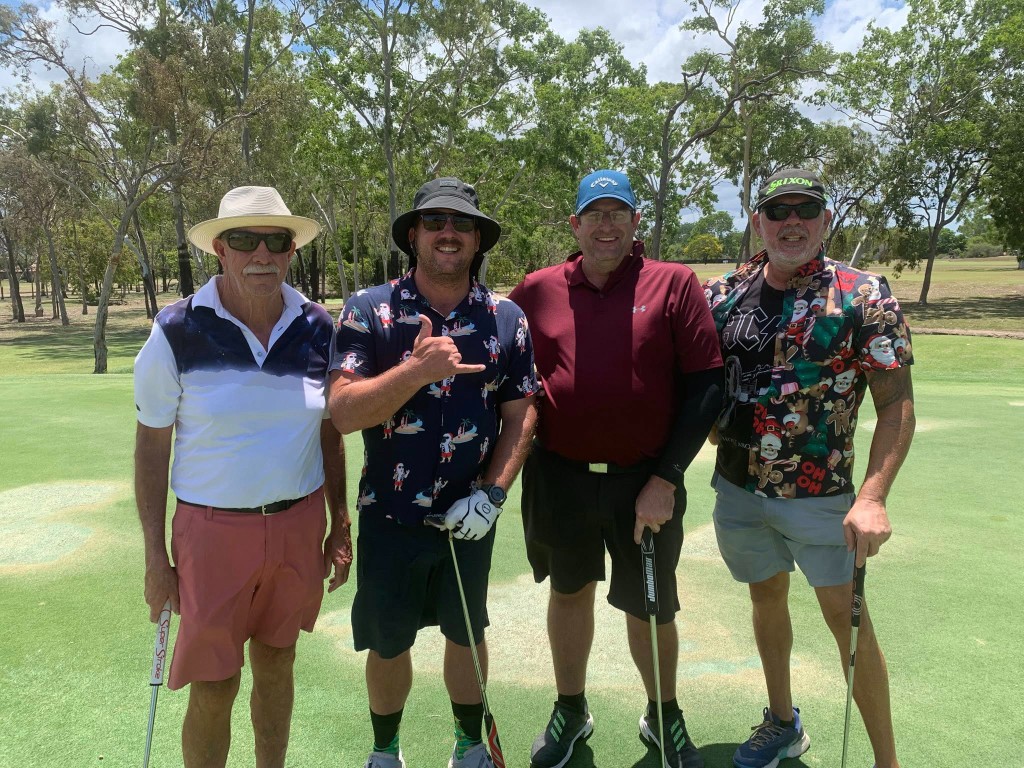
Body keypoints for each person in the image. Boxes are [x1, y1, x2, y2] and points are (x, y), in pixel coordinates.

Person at [508, 170, 724, 768]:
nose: (606, 225)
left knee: (649, 606)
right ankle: (571, 709)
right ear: (575, 225)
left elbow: (707, 386)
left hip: (644, 482)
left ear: (635, 222)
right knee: (568, 591)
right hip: (560, 476)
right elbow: (502, 367)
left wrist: (667, 478)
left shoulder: (673, 283)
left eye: (618, 213)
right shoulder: (537, 289)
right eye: (594, 214)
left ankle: (663, 715)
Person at [703, 168, 915, 768]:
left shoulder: (863, 294)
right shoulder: (723, 294)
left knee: (847, 623)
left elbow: (896, 402)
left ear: (825, 219)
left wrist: (873, 496)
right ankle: (781, 721)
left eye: (806, 209)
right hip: (738, 487)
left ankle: (887, 762)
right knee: (765, 596)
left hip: (821, 495)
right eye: (778, 210)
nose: (791, 221)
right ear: (758, 221)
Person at [134, 185, 352, 768]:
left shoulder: (317, 325)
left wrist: (340, 519)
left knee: (278, 664)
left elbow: (329, 431)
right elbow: (152, 448)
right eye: (244, 239)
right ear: (220, 249)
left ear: (290, 251)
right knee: (214, 685)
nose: (261, 253)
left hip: (298, 526)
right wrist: (155, 557)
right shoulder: (175, 329)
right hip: (211, 535)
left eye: (275, 241)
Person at [329, 177, 538, 768]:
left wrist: (493, 496)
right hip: (390, 516)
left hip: (469, 517)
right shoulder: (369, 310)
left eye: (462, 223)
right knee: (388, 642)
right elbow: (343, 411)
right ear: (414, 235)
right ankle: (385, 752)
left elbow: (521, 414)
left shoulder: (506, 318)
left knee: (466, 635)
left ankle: (470, 746)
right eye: (436, 221)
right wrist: (416, 371)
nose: (449, 233)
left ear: (477, 239)